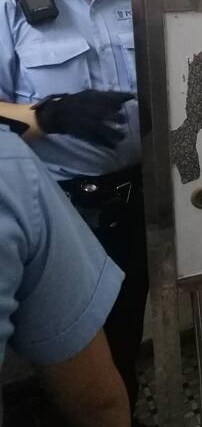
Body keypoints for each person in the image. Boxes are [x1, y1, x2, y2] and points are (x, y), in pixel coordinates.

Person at [0, 0, 147, 423]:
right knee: (69, 369)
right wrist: (44, 117)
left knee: (126, 341)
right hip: (58, 215)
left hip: (140, 206)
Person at [0, 116, 130, 427]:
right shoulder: (10, 167)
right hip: (61, 203)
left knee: (127, 325)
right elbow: (96, 403)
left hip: (133, 198)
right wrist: (47, 115)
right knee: (70, 375)